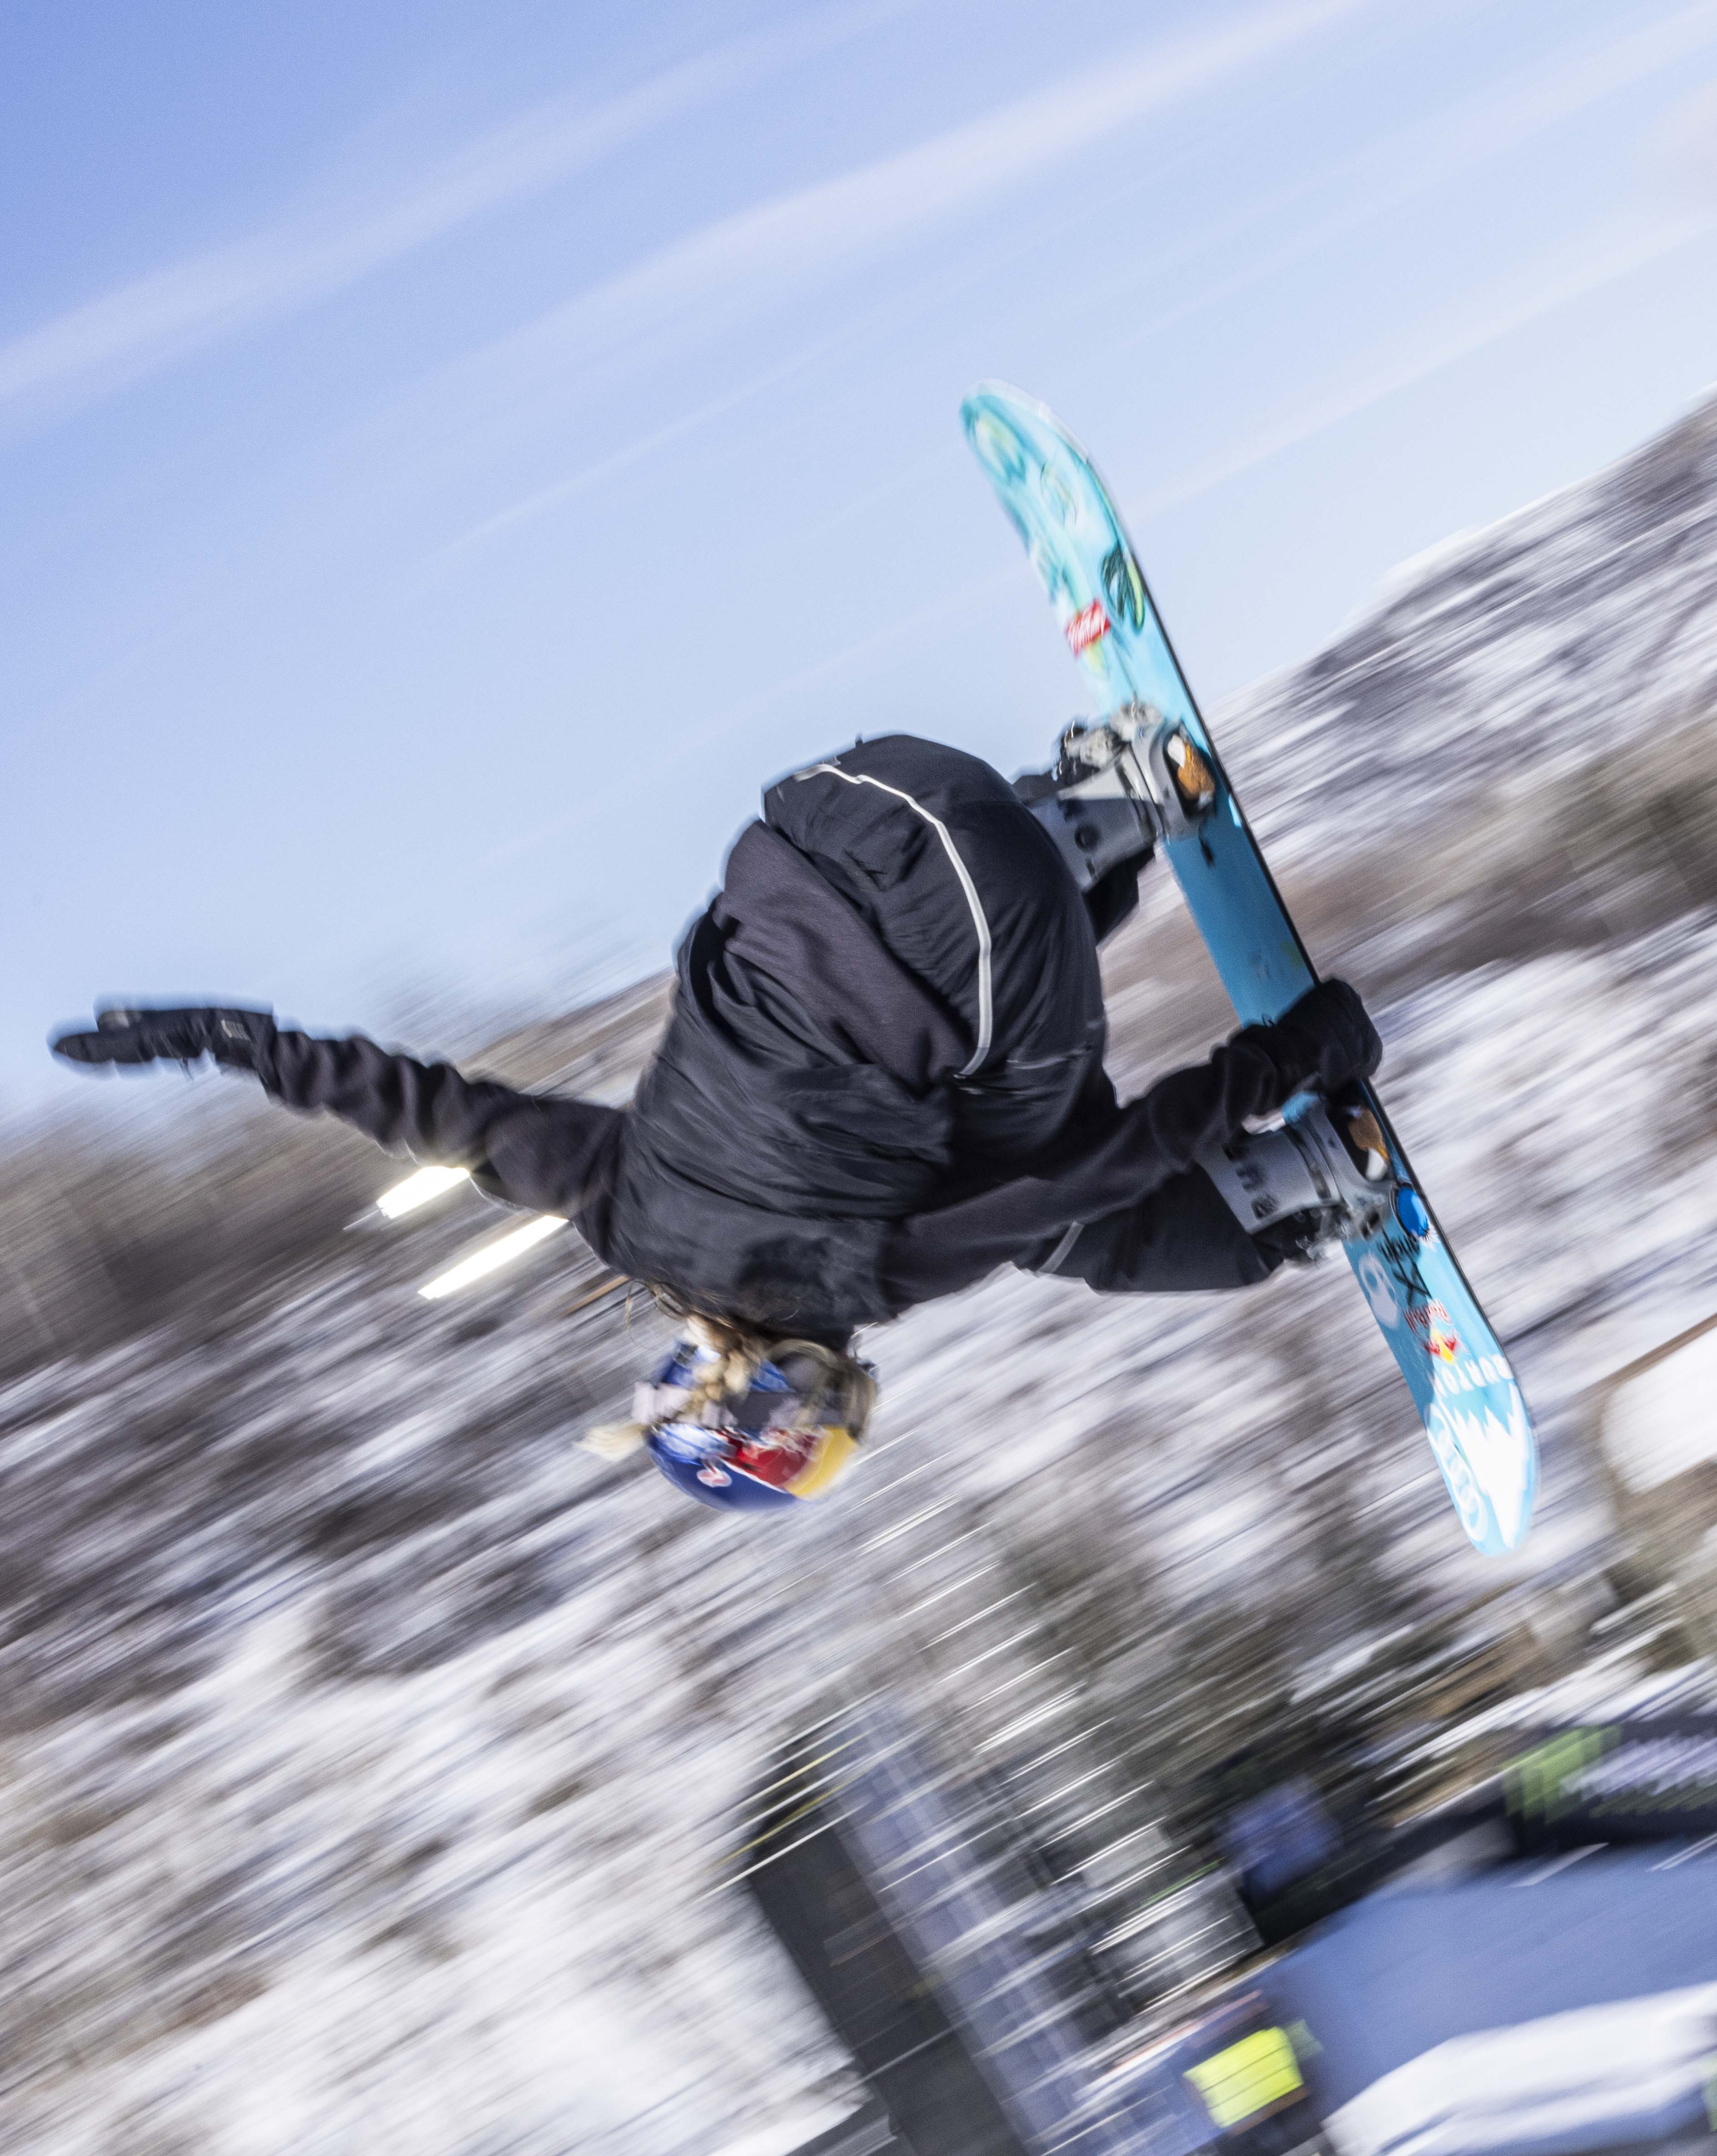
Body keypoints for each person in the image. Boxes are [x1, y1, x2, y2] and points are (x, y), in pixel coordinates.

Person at [52, 733, 1381, 1514]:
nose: (849, 1402)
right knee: (961, 1111)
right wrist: (232, 1040)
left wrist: (1291, 1054)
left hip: (991, 922)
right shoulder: (615, 1206)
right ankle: (1099, 802)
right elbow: (427, 1113)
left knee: (1060, 1216)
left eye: (821, 1426)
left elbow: (1095, 1174)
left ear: (773, 1395)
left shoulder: (860, 1275)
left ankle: (1302, 1178)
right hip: (847, 798)